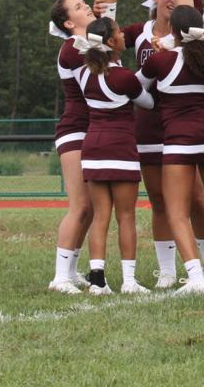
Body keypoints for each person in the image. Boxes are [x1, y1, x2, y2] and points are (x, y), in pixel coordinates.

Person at [118, 0, 204, 288]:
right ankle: (167, 271)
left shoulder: (190, 35)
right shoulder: (138, 32)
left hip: (183, 125)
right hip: (149, 126)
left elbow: (195, 4)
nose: (173, 0)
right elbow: (108, 41)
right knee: (160, 201)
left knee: (197, 199)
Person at [140, 6, 204, 294]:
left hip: (180, 138)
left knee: (177, 212)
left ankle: (195, 278)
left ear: (172, 30)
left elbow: (135, 89)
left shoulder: (160, 61)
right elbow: (187, 51)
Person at [74, 18, 155, 295]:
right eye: (119, 32)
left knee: (100, 217)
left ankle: (97, 280)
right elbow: (148, 101)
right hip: (119, 148)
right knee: (126, 216)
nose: (123, 35)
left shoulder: (83, 74)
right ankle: (129, 281)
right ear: (111, 42)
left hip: (93, 148)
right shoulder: (123, 76)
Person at [47, 0, 97, 293]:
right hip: (76, 131)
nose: (86, 7)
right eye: (79, 7)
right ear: (68, 23)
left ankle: (72, 269)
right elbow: (96, 89)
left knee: (89, 208)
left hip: (92, 131)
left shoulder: (89, 44)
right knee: (79, 206)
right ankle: (60, 277)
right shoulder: (72, 48)